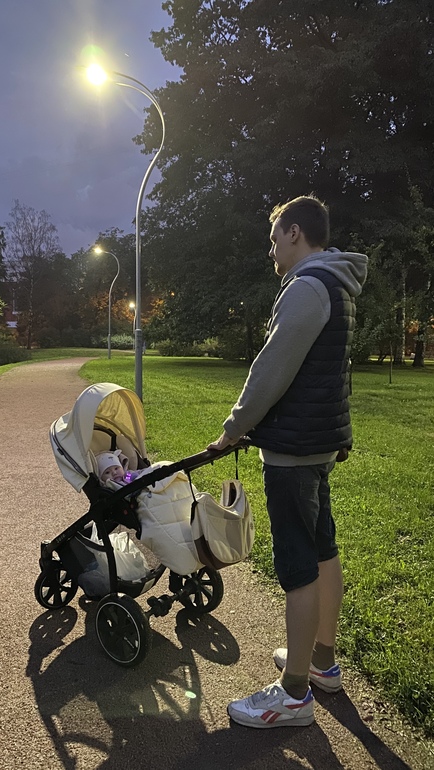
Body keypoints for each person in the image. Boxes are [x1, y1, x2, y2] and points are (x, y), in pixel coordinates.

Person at [209, 195, 367, 728]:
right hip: (319, 444)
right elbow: (336, 373)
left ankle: (294, 693)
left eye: (275, 237)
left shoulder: (306, 287)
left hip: (294, 452)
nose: (272, 249)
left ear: (295, 232)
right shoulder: (338, 286)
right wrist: (341, 433)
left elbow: (271, 370)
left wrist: (233, 429)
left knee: (298, 568)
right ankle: (322, 661)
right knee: (323, 552)